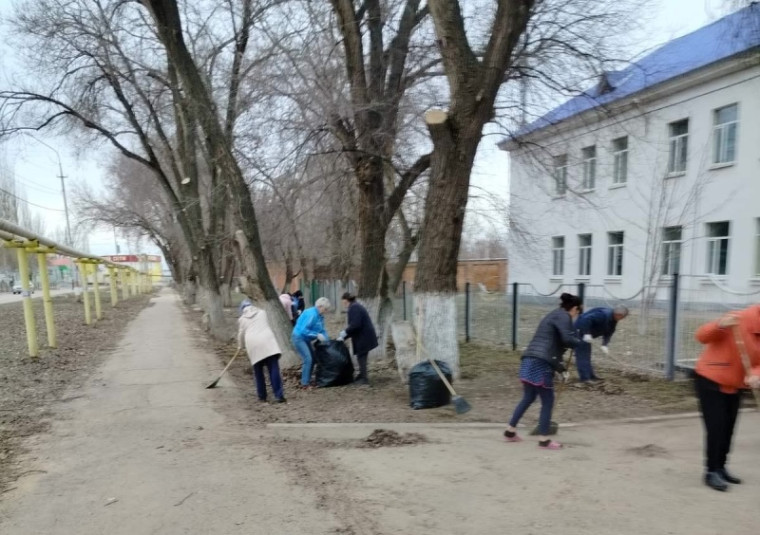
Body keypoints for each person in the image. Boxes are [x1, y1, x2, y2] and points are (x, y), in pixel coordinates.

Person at [503, 293, 583, 450]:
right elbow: (566, 340)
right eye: (577, 313)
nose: (575, 316)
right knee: (547, 402)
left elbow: (553, 346)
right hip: (541, 364)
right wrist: (578, 342)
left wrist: (561, 369)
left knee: (528, 397)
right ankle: (544, 440)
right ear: (574, 309)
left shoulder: (553, 314)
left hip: (529, 359)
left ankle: (510, 431)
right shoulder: (564, 317)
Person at [694, 306, 760, 491]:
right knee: (716, 427)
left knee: (729, 428)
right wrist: (719, 325)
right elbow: (701, 336)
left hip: (736, 384)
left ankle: (721, 467)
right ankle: (710, 471)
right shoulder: (737, 319)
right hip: (711, 381)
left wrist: (756, 374)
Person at [237, 299, 286, 404]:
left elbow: (241, 334)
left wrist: (240, 346)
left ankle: (262, 396)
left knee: (258, 372)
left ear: (242, 310)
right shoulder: (262, 313)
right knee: (273, 369)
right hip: (268, 343)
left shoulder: (242, 319)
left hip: (253, 345)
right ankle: (279, 395)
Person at [574, 305, 629, 382]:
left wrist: (604, 345)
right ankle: (585, 378)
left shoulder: (613, 319)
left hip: (586, 333)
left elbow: (609, 332)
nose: (623, 319)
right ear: (619, 315)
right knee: (583, 354)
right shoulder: (603, 315)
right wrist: (586, 333)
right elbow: (585, 319)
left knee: (587, 354)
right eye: (623, 317)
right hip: (579, 331)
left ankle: (591, 376)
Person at [338, 292, 378, 385]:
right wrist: (343, 337)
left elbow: (355, 325)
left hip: (364, 336)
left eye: (343, 302)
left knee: (361, 356)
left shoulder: (354, 308)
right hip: (364, 335)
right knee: (361, 356)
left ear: (346, 300)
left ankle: (364, 379)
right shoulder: (355, 306)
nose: (343, 304)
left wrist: (345, 333)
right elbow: (354, 326)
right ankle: (361, 375)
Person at [292, 297, 331, 389]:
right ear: (320, 307)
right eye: (325, 309)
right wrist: (316, 335)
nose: (326, 311)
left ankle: (307, 380)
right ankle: (304, 383)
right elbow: (303, 330)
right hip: (299, 337)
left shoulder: (320, 316)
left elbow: (322, 330)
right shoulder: (312, 315)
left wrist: (327, 340)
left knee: (313, 358)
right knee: (308, 358)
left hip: (306, 339)